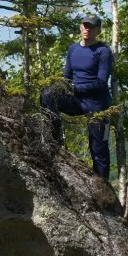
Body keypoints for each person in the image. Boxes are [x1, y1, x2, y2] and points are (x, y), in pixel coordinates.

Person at [41, 14, 114, 181]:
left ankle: (103, 186)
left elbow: (102, 82)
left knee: (98, 147)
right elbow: (67, 76)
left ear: (98, 30)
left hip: (98, 104)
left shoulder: (103, 52)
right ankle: (55, 140)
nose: (87, 29)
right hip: (77, 101)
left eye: (91, 27)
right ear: (80, 27)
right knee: (48, 94)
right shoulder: (73, 49)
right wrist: (61, 86)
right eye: (85, 25)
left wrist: (76, 88)